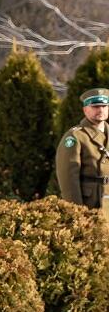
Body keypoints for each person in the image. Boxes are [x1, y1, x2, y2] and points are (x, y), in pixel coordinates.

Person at [55, 87, 109, 219]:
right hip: (91, 205)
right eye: (95, 106)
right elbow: (68, 178)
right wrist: (76, 212)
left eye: (104, 106)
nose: (100, 110)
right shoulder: (75, 136)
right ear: (85, 109)